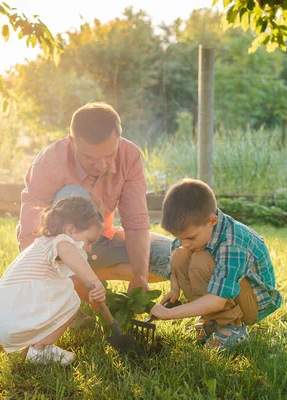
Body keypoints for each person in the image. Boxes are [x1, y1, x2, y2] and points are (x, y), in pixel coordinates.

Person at [17, 102, 171, 310]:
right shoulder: (49, 163)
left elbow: (136, 222)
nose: (101, 165)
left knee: (172, 257)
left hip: (100, 241)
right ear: (72, 142)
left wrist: (140, 276)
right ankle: (65, 292)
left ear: (118, 139)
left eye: (109, 155)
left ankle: (91, 276)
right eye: (90, 157)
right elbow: (31, 238)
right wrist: (81, 285)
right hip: (55, 252)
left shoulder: (129, 155)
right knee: (74, 196)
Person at [149, 179, 282, 350]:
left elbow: (218, 300)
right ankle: (212, 319)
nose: (185, 242)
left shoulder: (232, 242)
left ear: (212, 221)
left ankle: (232, 325)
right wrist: (175, 288)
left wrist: (169, 313)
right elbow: (176, 253)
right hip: (226, 292)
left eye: (190, 238)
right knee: (180, 255)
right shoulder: (193, 233)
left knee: (201, 261)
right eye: (179, 237)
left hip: (254, 303)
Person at [0, 197, 107, 365]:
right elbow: (70, 253)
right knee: (71, 299)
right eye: (89, 241)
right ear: (70, 230)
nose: (89, 249)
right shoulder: (61, 242)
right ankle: (41, 350)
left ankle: (35, 343)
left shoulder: (42, 244)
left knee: (64, 287)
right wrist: (94, 281)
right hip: (10, 320)